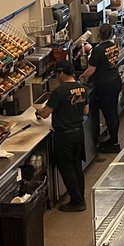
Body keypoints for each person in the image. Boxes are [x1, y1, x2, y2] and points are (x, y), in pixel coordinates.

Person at [34, 61, 89, 212]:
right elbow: (85, 111)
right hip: (78, 132)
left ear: (62, 73)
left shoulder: (59, 92)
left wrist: (38, 110)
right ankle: (80, 196)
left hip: (64, 136)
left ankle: (77, 202)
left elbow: (45, 114)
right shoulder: (83, 88)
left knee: (66, 168)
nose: (57, 77)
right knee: (77, 165)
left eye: (57, 74)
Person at [81, 23, 122, 154]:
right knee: (113, 113)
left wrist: (80, 77)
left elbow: (91, 70)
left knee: (109, 115)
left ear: (99, 35)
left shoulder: (98, 50)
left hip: (105, 85)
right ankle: (113, 140)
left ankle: (114, 144)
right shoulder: (114, 46)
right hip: (115, 81)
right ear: (111, 34)